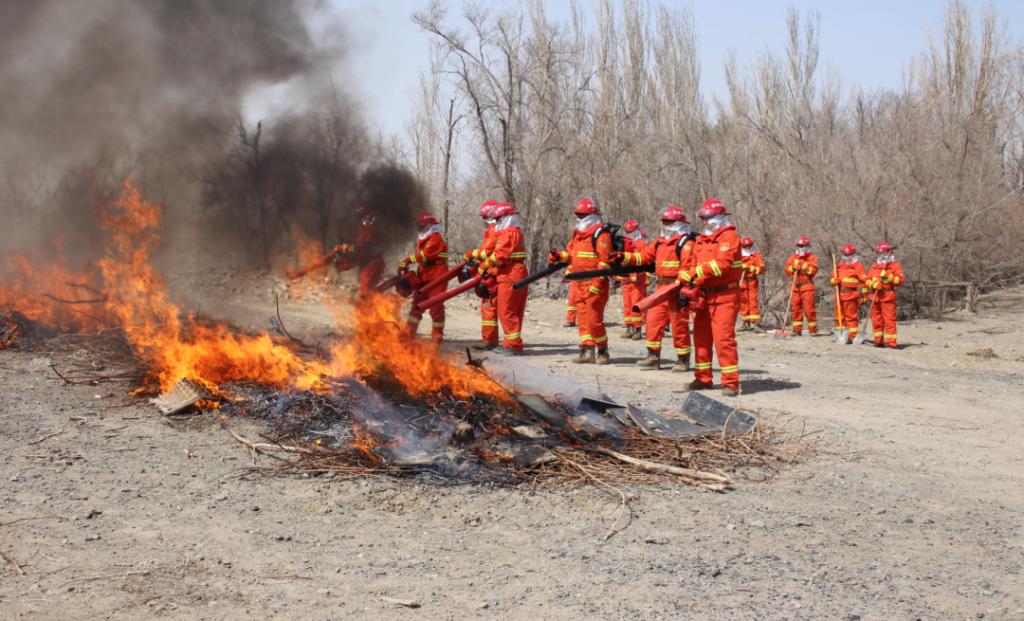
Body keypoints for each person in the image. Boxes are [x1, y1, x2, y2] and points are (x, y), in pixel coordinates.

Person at [676, 198, 743, 396]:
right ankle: (703, 378)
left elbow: (721, 265)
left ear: (720, 217)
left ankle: (730, 382)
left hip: (725, 295)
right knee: (701, 338)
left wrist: (695, 272)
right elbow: (691, 264)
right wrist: (685, 276)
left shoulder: (729, 237)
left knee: (723, 340)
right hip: (703, 296)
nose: (705, 221)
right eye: (703, 218)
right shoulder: (700, 240)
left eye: (708, 218)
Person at [621, 205, 695, 371]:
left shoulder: (686, 243)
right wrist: (624, 257)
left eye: (669, 222)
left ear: (679, 223)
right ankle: (653, 356)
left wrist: (683, 290)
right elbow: (644, 257)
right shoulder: (659, 242)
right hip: (661, 288)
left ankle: (683, 360)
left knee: (679, 325)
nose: (666, 225)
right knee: (653, 320)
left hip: (677, 289)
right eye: (665, 222)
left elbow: (688, 267)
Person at [549, 197, 614, 364]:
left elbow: (604, 262)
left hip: (595, 284)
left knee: (594, 320)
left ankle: (603, 350)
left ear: (592, 215)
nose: (579, 217)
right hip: (579, 283)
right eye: (578, 214)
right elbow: (571, 255)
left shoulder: (601, 234)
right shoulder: (577, 234)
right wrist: (559, 256)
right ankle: (586, 351)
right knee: (583, 320)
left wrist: (596, 285)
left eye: (583, 214)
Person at [476, 202, 529, 353]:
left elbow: (499, 255)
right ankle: (511, 343)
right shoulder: (513, 231)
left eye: (499, 219)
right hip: (511, 273)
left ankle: (513, 345)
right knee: (511, 311)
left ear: (507, 217)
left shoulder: (509, 233)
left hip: (510, 274)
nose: (497, 222)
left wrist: (483, 266)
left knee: (507, 311)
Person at [401, 212, 449, 342]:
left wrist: (406, 261)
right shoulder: (425, 239)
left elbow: (424, 255)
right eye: (419, 226)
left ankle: (436, 338)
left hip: (437, 277)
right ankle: (408, 334)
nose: (420, 229)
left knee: (435, 307)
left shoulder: (435, 238)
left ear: (429, 225)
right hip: (424, 275)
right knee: (416, 306)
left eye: (422, 226)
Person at [327, 204, 385, 298]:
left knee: (366, 290)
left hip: (372, 262)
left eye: (364, 216)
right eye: (361, 218)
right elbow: (358, 249)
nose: (363, 220)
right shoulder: (366, 227)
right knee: (365, 289)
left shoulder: (369, 228)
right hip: (367, 260)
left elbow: (359, 248)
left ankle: (369, 303)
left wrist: (342, 248)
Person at [464, 200, 500, 350]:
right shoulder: (495, 229)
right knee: (489, 307)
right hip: (491, 273)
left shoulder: (494, 230)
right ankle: (490, 340)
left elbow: (488, 253)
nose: (483, 220)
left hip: (493, 274)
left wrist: (472, 254)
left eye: (484, 217)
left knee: (489, 307)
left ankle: (490, 341)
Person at [865, 241, 905, 348]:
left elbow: (900, 281)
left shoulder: (895, 266)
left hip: (887, 296)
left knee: (889, 320)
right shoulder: (874, 267)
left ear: (889, 253)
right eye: (879, 253)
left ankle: (891, 342)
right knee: (876, 320)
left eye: (884, 253)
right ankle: (878, 341)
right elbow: (867, 281)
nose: (882, 255)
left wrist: (888, 276)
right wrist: (873, 285)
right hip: (875, 296)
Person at [830, 243, 867, 344]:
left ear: (853, 255)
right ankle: (841, 336)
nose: (847, 257)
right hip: (839, 295)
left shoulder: (858, 267)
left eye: (849, 254)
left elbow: (864, 282)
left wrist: (864, 296)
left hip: (851, 295)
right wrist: (833, 281)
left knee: (851, 317)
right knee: (839, 317)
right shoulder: (838, 266)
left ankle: (852, 336)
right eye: (845, 255)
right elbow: (832, 277)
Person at [618, 219, 649, 340]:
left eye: (630, 231)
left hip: (637, 280)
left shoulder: (641, 244)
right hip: (626, 278)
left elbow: (646, 261)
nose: (628, 234)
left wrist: (645, 279)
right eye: (627, 232)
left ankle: (638, 329)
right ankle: (629, 328)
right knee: (627, 305)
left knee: (636, 304)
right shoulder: (624, 243)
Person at [784, 236, 819, 336]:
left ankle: (813, 329)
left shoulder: (812, 258)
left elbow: (813, 271)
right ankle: (797, 330)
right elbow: (787, 270)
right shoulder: (793, 258)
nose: (801, 248)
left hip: (807, 286)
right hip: (795, 287)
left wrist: (803, 266)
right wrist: (792, 268)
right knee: (795, 309)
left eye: (803, 246)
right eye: (799, 246)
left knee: (809, 309)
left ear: (808, 247)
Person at [738, 236, 764, 332]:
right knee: (743, 302)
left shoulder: (756, 256)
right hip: (742, 282)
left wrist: (750, 268)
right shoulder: (738, 256)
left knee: (753, 302)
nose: (747, 248)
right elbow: (733, 267)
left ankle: (755, 323)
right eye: (745, 246)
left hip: (752, 281)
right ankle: (746, 323)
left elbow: (760, 269)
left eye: (748, 246)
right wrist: (740, 267)